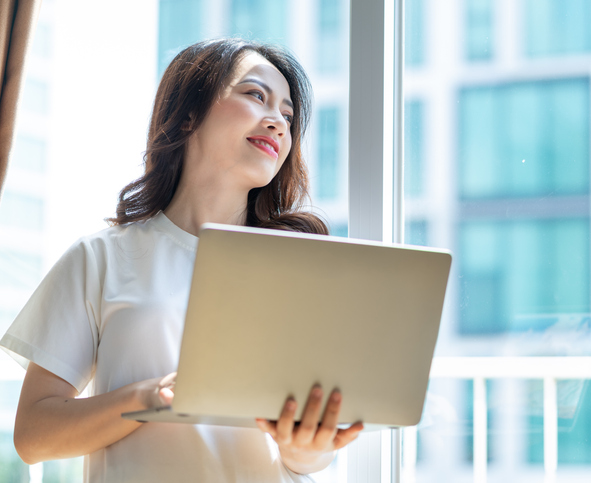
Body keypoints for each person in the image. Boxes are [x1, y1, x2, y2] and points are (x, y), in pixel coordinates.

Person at [0, 38, 363, 482]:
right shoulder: (100, 259)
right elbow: (34, 436)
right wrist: (148, 398)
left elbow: (304, 461)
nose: (278, 123)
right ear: (189, 113)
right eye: (256, 95)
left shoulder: (299, 269)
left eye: (288, 116)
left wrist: (307, 447)